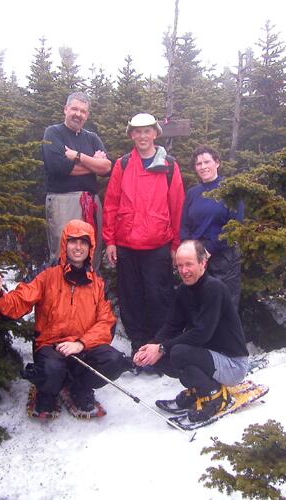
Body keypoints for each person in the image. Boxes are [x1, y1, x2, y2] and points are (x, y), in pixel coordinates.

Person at [0, 219, 126, 420]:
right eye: (73, 241)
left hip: (82, 349)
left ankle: (81, 387)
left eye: (83, 242)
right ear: (64, 245)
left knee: (113, 360)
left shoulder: (98, 284)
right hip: (51, 347)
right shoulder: (48, 276)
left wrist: (80, 343)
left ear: (90, 247)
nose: (78, 247)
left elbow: (106, 323)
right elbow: (19, 301)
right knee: (52, 370)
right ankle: (47, 391)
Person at [133, 240, 249, 422]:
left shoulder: (214, 288)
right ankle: (198, 389)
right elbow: (172, 326)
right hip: (209, 357)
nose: (184, 270)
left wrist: (163, 347)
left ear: (203, 263)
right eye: (179, 265)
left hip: (232, 364)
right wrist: (152, 346)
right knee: (159, 357)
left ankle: (215, 396)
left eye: (189, 264)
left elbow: (202, 333)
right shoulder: (183, 291)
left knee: (177, 352)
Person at [102, 113, 185, 362]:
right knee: (131, 301)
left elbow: (177, 207)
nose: (142, 136)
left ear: (155, 133)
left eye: (147, 131)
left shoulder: (169, 166)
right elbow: (111, 203)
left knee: (160, 298)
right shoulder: (123, 164)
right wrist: (110, 241)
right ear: (131, 135)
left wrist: (176, 246)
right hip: (127, 246)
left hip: (158, 246)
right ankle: (139, 350)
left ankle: (160, 350)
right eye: (137, 131)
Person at [42, 91, 112, 271]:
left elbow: (106, 168)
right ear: (65, 109)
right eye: (74, 109)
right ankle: (61, 297)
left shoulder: (92, 137)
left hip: (91, 203)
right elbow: (58, 167)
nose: (78, 114)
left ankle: (89, 297)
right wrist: (93, 162)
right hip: (63, 202)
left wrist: (77, 156)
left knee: (91, 253)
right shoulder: (53, 133)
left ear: (87, 115)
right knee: (64, 253)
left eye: (83, 111)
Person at [180, 145, 244, 309]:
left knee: (223, 308)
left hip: (224, 258)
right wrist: (189, 250)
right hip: (197, 258)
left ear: (217, 163)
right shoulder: (193, 193)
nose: (203, 167)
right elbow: (185, 224)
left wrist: (209, 249)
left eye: (206, 162)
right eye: (198, 164)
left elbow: (234, 227)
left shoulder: (231, 190)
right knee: (198, 307)